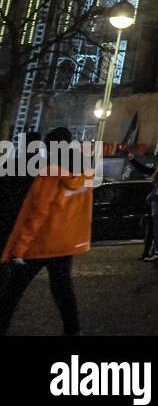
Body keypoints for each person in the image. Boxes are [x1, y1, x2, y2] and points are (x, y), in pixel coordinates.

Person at [0, 128, 92, 335]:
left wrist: (19, 248)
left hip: (40, 242)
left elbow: (39, 212)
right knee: (62, 287)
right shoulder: (85, 172)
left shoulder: (50, 171)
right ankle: (73, 329)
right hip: (66, 242)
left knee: (12, 291)